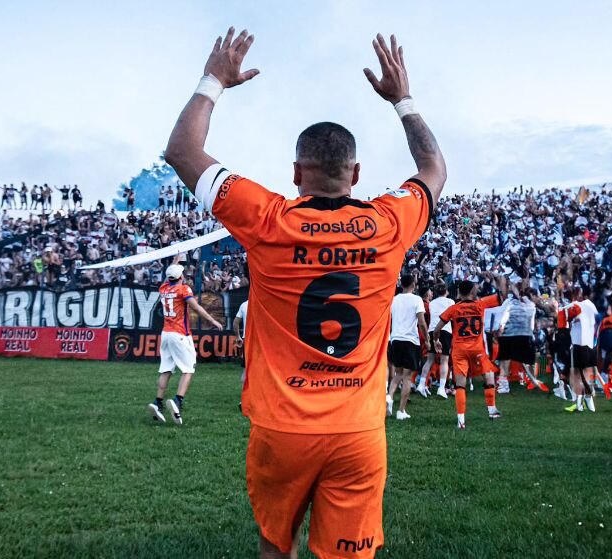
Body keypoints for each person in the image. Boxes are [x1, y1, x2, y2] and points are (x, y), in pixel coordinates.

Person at [164, 28, 446, 558]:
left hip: (282, 426)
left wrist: (214, 80)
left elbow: (182, 151)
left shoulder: (268, 218)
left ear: (296, 173)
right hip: (358, 428)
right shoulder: (389, 222)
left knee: (277, 548)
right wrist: (402, 100)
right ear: (356, 173)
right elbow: (434, 169)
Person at [148, 261, 223, 425]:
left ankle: (157, 402)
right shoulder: (183, 289)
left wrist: (176, 258)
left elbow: (170, 276)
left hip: (166, 333)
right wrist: (213, 321)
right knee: (189, 368)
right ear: (181, 276)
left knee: (166, 369)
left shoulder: (164, 288)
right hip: (180, 333)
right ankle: (178, 400)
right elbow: (197, 308)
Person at [434, 277, 506, 428]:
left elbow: (437, 328)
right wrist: (498, 280)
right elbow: (501, 296)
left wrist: (436, 340)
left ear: (459, 292)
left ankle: (461, 420)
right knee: (488, 374)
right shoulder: (480, 304)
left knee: (460, 384)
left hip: (459, 350)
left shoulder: (453, 308)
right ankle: (492, 409)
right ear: (473, 291)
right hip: (477, 349)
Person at [387, 275, 429, 420]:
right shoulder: (417, 299)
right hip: (410, 340)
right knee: (407, 377)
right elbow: (422, 323)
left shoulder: (394, 299)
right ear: (413, 284)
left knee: (398, 373)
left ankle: (389, 396)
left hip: (396, 338)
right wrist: (428, 340)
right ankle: (401, 411)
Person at [564, 288, 600, 413]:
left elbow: (562, 314)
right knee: (586, 373)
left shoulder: (577, 305)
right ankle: (587, 399)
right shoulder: (592, 306)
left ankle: (582, 401)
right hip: (591, 344)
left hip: (579, 344)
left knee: (578, 375)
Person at [417, 282, 454, 399]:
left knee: (429, 360)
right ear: (446, 291)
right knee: (444, 361)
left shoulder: (432, 303)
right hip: (445, 330)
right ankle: (441, 388)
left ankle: (421, 384)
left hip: (432, 330)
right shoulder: (450, 302)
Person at [233, 298, 249, 380]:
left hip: (247, 339)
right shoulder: (263, 304)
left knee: (246, 367)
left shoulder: (244, 304)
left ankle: (245, 391)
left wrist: (238, 337)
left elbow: (235, 323)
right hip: (259, 339)